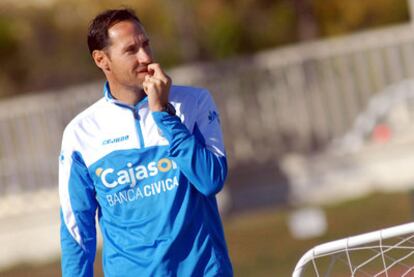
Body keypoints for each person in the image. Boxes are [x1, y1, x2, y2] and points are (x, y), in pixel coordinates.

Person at [58, 8, 233, 277]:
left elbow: (210, 180)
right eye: (131, 50)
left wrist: (164, 115)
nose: (146, 57)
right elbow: (76, 231)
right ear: (102, 59)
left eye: (146, 44)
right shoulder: (80, 133)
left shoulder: (194, 103)